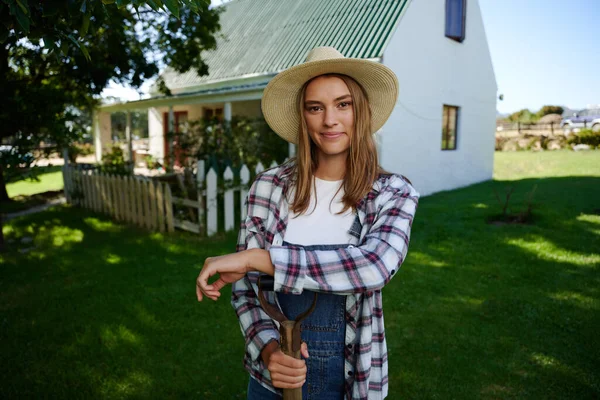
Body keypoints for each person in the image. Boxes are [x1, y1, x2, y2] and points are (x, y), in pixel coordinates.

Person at [196, 46, 420, 400]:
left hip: (351, 379)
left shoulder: (392, 192)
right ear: (303, 118)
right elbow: (244, 290)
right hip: (272, 382)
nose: (329, 120)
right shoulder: (269, 187)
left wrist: (256, 258)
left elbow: (375, 266)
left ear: (360, 111)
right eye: (315, 108)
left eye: (343, 104)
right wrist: (270, 350)